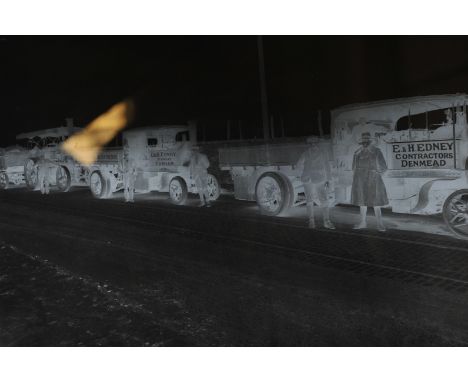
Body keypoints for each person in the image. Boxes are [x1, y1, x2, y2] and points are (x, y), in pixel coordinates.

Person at [351, 132, 388, 231]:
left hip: (373, 180)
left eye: (367, 140)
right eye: (363, 140)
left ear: (370, 141)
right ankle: (363, 223)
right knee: (362, 202)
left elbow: (384, 167)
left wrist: (376, 172)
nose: (365, 142)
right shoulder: (357, 153)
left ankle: (380, 224)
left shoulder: (376, 151)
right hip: (361, 180)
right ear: (361, 142)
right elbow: (353, 167)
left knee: (376, 203)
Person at [296, 136, 335, 229]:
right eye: (311, 143)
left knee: (324, 201)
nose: (313, 145)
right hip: (307, 180)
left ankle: (327, 221)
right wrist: (304, 172)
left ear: (317, 143)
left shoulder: (323, 153)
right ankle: (311, 221)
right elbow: (298, 164)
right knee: (309, 201)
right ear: (309, 144)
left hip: (319, 180)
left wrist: (328, 180)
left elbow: (327, 167)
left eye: (315, 143)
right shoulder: (305, 153)